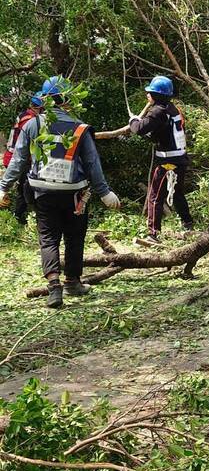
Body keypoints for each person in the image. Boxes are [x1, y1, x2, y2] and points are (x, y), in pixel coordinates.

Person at [0, 76, 121, 308]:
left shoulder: (33, 125)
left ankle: (54, 286)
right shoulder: (80, 127)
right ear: (69, 99)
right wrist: (104, 192)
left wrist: (3, 187)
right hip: (75, 194)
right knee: (74, 237)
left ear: (45, 99)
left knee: (48, 238)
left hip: (42, 192)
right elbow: (92, 163)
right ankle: (73, 282)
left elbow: (19, 160)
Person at [129, 76, 194, 245]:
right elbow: (161, 133)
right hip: (179, 159)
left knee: (155, 196)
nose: (147, 96)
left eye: (150, 93)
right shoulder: (172, 109)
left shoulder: (158, 111)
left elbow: (140, 129)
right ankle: (188, 225)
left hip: (167, 162)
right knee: (177, 193)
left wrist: (133, 121)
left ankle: (153, 234)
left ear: (157, 95)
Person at [2, 92, 43, 224]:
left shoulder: (24, 116)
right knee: (25, 188)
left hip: (15, 157)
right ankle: (19, 217)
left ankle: (20, 216)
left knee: (24, 188)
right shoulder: (31, 120)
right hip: (19, 159)